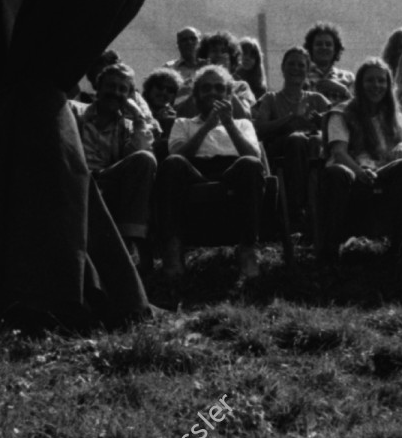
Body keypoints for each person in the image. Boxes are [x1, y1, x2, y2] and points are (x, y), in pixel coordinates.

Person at [156, 65, 266, 279]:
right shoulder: (183, 123)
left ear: (228, 94)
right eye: (206, 88)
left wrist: (228, 124)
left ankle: (248, 249)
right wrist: (207, 126)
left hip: (233, 174)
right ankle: (173, 251)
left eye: (219, 88)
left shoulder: (243, 124)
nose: (213, 93)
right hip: (195, 172)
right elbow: (176, 155)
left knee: (251, 164)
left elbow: (255, 156)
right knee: (173, 163)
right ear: (196, 95)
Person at [319, 59, 402, 260]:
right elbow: (339, 153)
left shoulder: (393, 116)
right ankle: (331, 252)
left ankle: (400, 247)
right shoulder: (342, 113)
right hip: (352, 172)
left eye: (381, 81)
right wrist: (359, 172)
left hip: (383, 172)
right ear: (359, 84)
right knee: (336, 173)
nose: (376, 86)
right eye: (370, 80)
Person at [76, 63, 158, 268]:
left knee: (145, 159)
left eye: (123, 89)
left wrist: (139, 117)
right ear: (98, 87)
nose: (116, 93)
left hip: (105, 179)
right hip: (73, 175)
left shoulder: (128, 126)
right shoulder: (75, 111)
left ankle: (127, 244)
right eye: (111, 86)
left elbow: (141, 155)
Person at [252, 47, 332, 223]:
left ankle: (320, 206)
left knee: (316, 139)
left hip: (314, 150)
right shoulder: (270, 99)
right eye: (291, 64)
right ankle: (297, 210)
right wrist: (291, 118)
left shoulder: (317, 99)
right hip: (283, 152)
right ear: (283, 67)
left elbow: (335, 123)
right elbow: (259, 129)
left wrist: (321, 122)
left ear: (307, 70)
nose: (296, 68)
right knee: (296, 140)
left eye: (301, 65)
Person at [177, 31, 256, 116]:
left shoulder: (241, 86)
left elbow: (245, 116)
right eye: (214, 51)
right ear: (204, 57)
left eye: (223, 51)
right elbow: (180, 115)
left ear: (232, 58)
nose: (219, 55)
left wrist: (226, 82)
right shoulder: (189, 84)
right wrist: (198, 84)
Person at [303, 22, 355, 102]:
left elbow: (358, 108)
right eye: (319, 44)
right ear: (311, 49)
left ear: (335, 50)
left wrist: (342, 90)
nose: (324, 47)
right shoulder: (302, 76)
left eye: (328, 44)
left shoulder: (348, 78)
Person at [141, 68, 182, 160]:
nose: (164, 92)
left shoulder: (175, 118)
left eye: (170, 90)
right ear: (149, 88)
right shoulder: (137, 108)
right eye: (159, 87)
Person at [167, 27, 203, 92]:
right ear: (178, 45)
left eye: (193, 39)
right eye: (184, 40)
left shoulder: (207, 66)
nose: (189, 42)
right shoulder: (169, 68)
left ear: (199, 43)